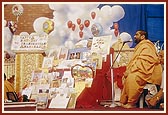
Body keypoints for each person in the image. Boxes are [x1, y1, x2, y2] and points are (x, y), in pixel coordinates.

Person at [120, 30, 162, 108]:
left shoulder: (147, 45)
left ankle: (132, 103)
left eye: (137, 35)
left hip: (148, 71)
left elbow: (144, 61)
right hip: (141, 69)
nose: (134, 36)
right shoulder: (141, 46)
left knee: (132, 78)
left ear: (143, 37)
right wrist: (129, 69)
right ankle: (126, 100)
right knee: (127, 76)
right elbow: (136, 60)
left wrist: (131, 70)